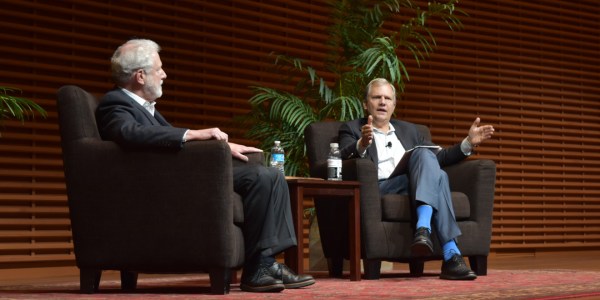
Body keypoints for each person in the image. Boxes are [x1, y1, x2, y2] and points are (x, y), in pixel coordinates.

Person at [95, 39, 315, 293]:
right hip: (166, 185)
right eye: (159, 69)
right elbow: (129, 133)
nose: (164, 75)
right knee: (259, 177)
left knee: (270, 176)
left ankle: (264, 264)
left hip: (186, 174)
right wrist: (193, 134)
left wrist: (225, 148)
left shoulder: (143, 107)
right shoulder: (115, 103)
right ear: (141, 76)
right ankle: (259, 269)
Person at [338, 78, 495, 280]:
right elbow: (339, 158)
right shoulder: (351, 128)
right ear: (365, 103)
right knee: (439, 176)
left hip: (414, 184)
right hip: (379, 188)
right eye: (377, 97)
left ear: (394, 105)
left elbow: (438, 158)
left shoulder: (410, 130)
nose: (383, 102)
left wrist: (467, 143)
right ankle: (450, 253)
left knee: (428, 160)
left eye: (388, 98)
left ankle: (424, 231)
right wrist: (362, 144)